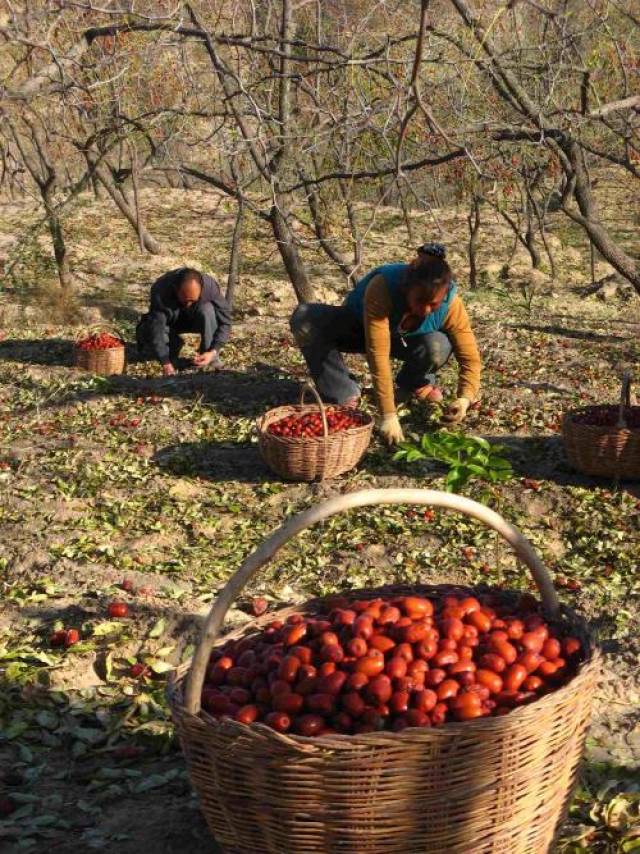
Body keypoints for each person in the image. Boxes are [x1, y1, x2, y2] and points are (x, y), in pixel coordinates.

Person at [290, 243, 481, 444]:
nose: (425, 310)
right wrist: (388, 415)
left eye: (433, 304)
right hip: (356, 330)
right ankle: (342, 392)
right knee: (305, 319)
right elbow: (378, 354)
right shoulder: (383, 287)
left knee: (438, 345)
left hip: (403, 339)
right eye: (420, 300)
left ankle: (414, 383)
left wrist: (465, 398)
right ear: (407, 288)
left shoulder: (451, 305)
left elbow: (470, 357)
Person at [136, 267, 232, 376]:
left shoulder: (210, 287)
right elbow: (157, 329)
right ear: (175, 289)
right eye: (185, 300)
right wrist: (165, 361)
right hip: (171, 322)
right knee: (150, 331)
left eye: (193, 301)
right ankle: (172, 352)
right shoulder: (161, 289)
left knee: (208, 310)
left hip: (195, 319)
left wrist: (213, 351)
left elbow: (225, 322)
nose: (188, 304)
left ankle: (208, 359)